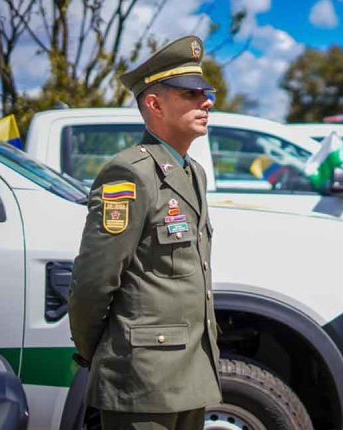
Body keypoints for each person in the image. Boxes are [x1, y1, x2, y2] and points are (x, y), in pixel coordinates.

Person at [68, 35, 221, 430]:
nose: (206, 102)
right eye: (191, 93)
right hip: (142, 381)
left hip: (190, 376)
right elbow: (94, 280)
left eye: (208, 93)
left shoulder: (193, 173)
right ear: (154, 104)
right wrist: (100, 352)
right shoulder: (130, 173)